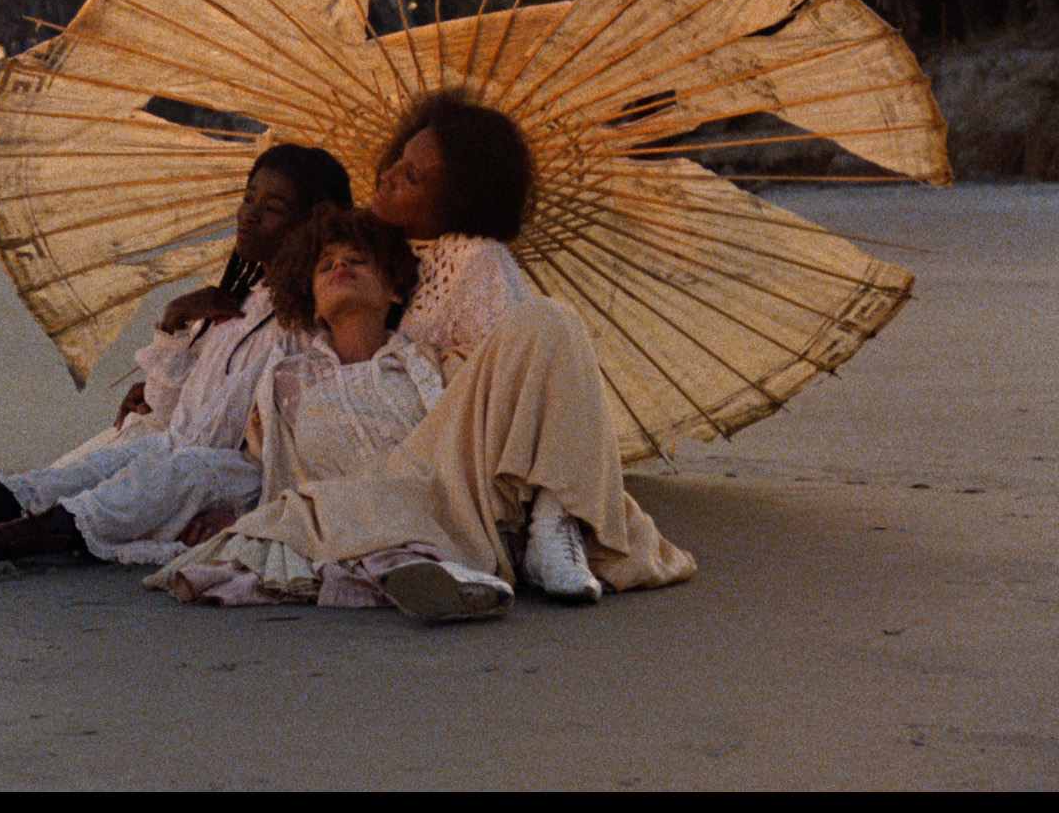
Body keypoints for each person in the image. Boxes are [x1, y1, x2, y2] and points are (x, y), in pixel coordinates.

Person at [150, 92, 695, 621]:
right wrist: (177, 365)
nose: (387, 176)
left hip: (457, 432)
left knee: (550, 320)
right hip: (390, 443)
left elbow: (516, 389)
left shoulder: (474, 258)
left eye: (411, 176)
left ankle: (554, 521)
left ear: (454, 200)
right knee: (343, 490)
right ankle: (427, 561)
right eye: (396, 161)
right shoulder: (370, 248)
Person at [0, 143, 353, 577]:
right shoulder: (232, 307)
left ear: (313, 224)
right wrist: (176, 323)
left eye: (273, 207)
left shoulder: (312, 324)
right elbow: (169, 407)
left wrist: (248, 514)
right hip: (176, 447)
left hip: (238, 476)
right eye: (248, 198)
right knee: (79, 471)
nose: (250, 213)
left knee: (162, 475)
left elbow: (305, 441)